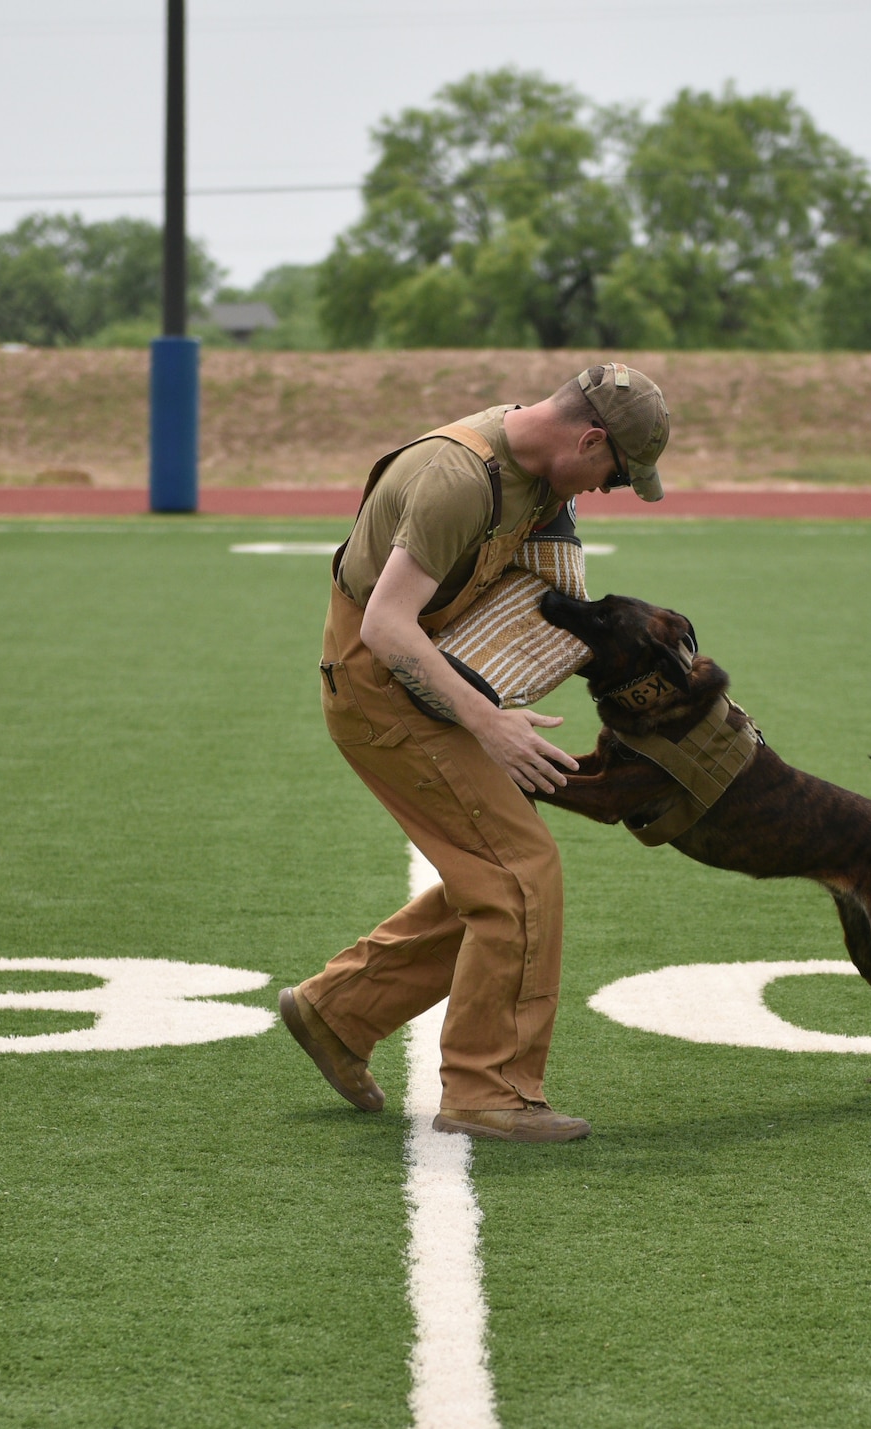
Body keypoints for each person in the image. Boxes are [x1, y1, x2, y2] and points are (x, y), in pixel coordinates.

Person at [280, 364, 671, 1144]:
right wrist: (489, 720)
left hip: (418, 678)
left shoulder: (537, 467)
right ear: (589, 437)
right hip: (380, 685)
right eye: (616, 473)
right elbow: (388, 625)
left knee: (490, 873)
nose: (610, 489)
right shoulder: (457, 478)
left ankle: (338, 1009)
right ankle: (488, 1091)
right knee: (519, 875)